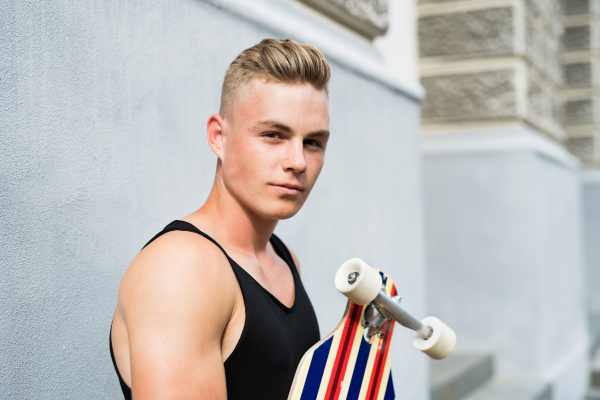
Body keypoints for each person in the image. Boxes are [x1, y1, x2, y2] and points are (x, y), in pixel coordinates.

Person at [109, 38, 331, 399]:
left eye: (313, 142)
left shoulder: (284, 260)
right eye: (273, 135)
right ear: (218, 136)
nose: (298, 162)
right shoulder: (181, 270)